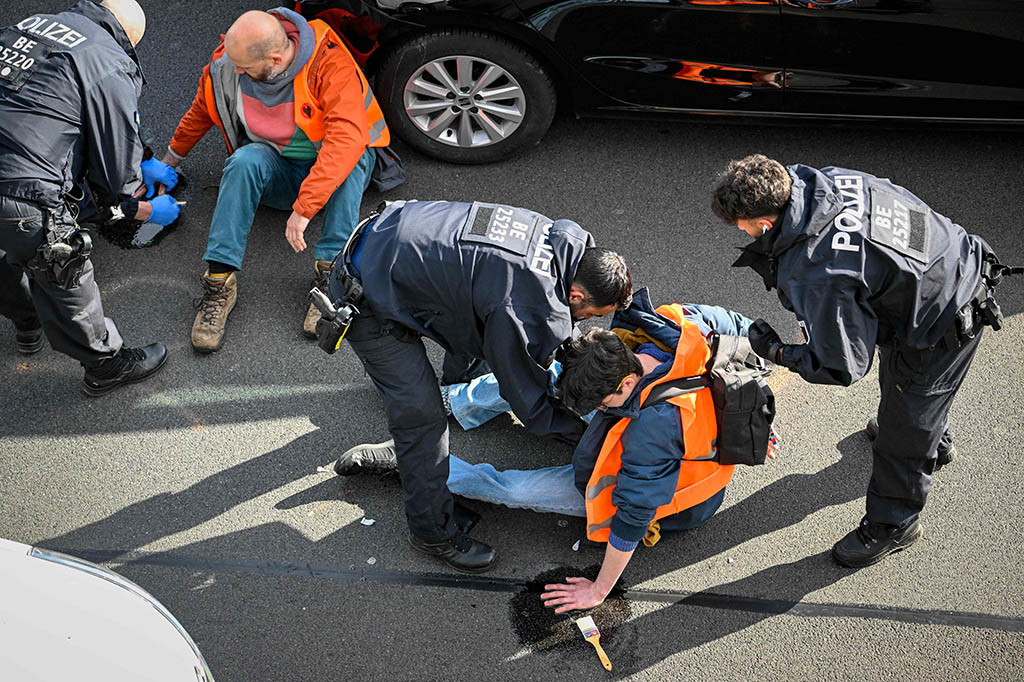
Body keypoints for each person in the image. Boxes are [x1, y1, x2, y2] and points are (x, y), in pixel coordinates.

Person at [334, 288, 759, 610]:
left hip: (672, 498)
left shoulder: (654, 431)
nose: (587, 409)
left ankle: (412, 461)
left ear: (626, 383)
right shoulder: (669, 331)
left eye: (595, 404)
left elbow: (633, 515)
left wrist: (598, 590)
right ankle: (446, 401)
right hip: (638, 427)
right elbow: (742, 329)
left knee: (517, 492)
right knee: (539, 376)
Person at [711, 153, 1009, 568]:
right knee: (908, 395)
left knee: (905, 429)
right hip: (947, 267)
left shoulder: (818, 269)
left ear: (763, 223)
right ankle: (934, 443)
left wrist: (777, 351)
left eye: (742, 226)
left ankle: (894, 524)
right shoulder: (829, 181)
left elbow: (841, 365)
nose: (741, 232)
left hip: (941, 318)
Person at [327, 199, 632, 573]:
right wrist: (584, 436)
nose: (583, 323)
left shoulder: (559, 243)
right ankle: (432, 532)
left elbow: (475, 316)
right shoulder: (523, 304)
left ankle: (434, 402)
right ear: (576, 295)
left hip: (390, 235)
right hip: (364, 293)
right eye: (589, 315)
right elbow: (527, 399)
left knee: (468, 343)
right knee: (423, 421)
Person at [156, 7, 388, 353]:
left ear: (277, 60)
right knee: (243, 161)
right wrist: (168, 164)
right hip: (278, 170)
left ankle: (332, 277)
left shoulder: (328, 62)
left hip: (330, 172)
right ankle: (220, 282)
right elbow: (202, 110)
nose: (234, 72)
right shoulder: (231, 58)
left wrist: (305, 208)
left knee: (353, 159)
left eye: (244, 69)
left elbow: (347, 139)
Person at [0, 0, 177, 395]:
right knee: (62, 265)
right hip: (21, 189)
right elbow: (115, 175)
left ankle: (27, 321)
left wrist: (142, 157)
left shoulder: (29, 24)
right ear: (127, 38)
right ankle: (106, 364)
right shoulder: (109, 59)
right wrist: (140, 197)